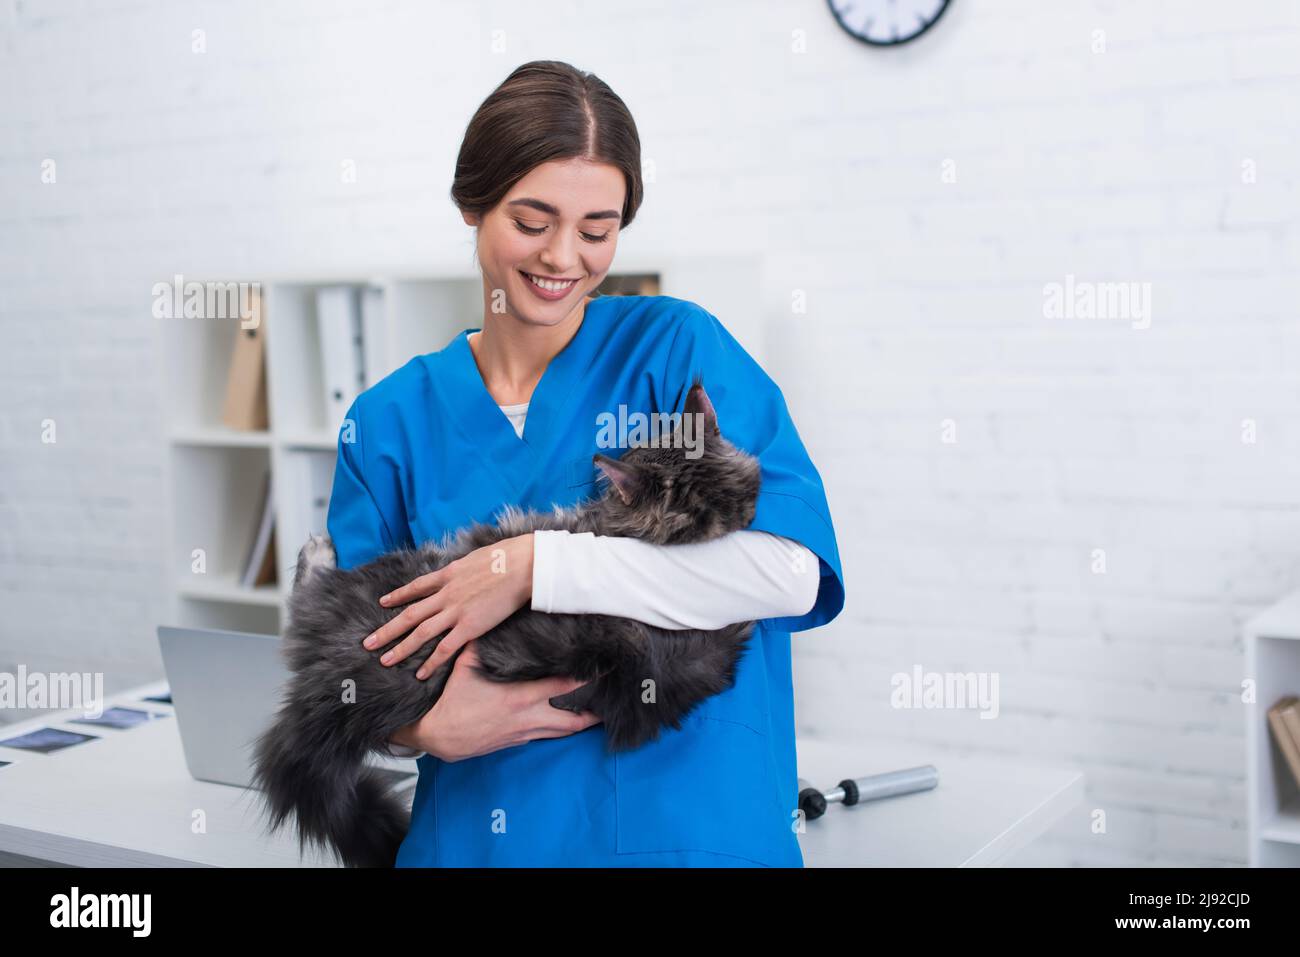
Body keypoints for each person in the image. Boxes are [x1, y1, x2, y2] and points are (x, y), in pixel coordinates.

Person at [325, 60, 845, 867]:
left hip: (693, 839)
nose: (564, 256)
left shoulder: (676, 349)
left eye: (597, 230)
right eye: (532, 221)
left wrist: (538, 565)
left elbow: (790, 571)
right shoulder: (389, 423)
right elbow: (354, 666)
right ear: (472, 205)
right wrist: (418, 728)